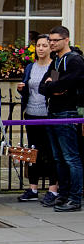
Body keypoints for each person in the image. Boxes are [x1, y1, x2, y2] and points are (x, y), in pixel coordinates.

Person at [38, 25, 84, 212]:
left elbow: (66, 84)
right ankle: (63, 194)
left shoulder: (74, 61)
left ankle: (75, 198)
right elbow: (44, 87)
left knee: (71, 157)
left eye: (55, 40)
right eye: (50, 40)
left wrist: (54, 85)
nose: (51, 43)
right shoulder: (56, 61)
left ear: (66, 40)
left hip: (68, 112)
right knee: (58, 158)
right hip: (54, 112)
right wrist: (54, 86)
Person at [17, 34, 58, 204]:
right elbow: (27, 89)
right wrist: (22, 89)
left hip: (47, 114)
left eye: (44, 45)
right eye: (38, 45)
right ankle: (32, 188)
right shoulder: (29, 67)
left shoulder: (54, 67)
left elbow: (55, 90)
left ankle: (52, 189)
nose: (41, 48)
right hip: (31, 113)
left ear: (50, 48)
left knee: (49, 152)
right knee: (32, 152)